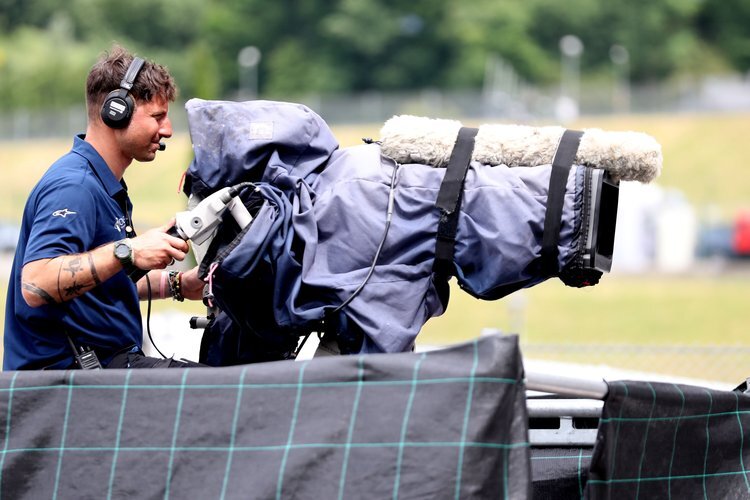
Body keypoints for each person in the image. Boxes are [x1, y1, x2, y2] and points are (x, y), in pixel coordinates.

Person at [3, 45, 206, 370]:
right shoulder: (75, 187)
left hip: (104, 369)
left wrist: (179, 284)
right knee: (223, 397)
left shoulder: (103, 185)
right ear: (116, 111)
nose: (167, 130)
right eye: (157, 117)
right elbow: (36, 284)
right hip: (67, 386)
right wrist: (127, 251)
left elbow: (100, 282)